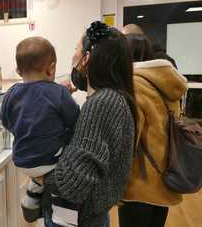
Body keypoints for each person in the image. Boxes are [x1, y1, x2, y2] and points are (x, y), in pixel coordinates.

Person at [42, 21, 137, 227]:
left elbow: (72, 185)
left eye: (76, 49)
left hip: (81, 218)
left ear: (86, 59)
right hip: (89, 216)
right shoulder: (110, 98)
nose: (72, 57)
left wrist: (39, 176)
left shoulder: (102, 104)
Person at [0, 37, 80, 224]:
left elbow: (5, 121)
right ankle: (64, 219)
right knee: (68, 159)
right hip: (50, 160)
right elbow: (75, 120)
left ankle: (32, 197)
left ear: (19, 70)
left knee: (39, 172)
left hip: (21, 160)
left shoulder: (11, 93)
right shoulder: (58, 92)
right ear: (51, 68)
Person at [119, 33, 187, 227]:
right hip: (165, 178)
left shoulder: (134, 85)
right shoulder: (166, 84)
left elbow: (128, 143)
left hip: (140, 185)